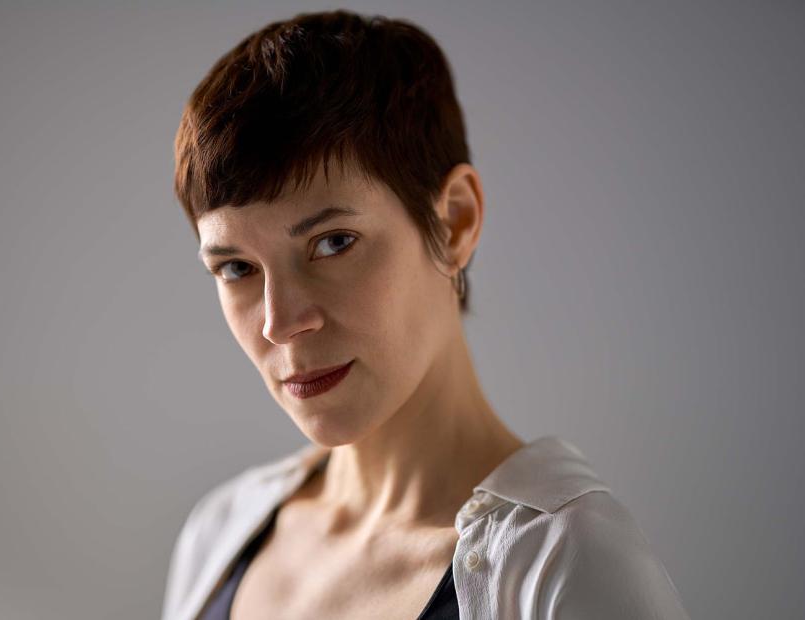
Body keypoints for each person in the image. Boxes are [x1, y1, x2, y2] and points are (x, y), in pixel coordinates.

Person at [161, 9, 690, 620]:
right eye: (236, 268)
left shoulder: (570, 570)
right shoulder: (219, 538)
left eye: (333, 242)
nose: (280, 323)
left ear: (454, 221)